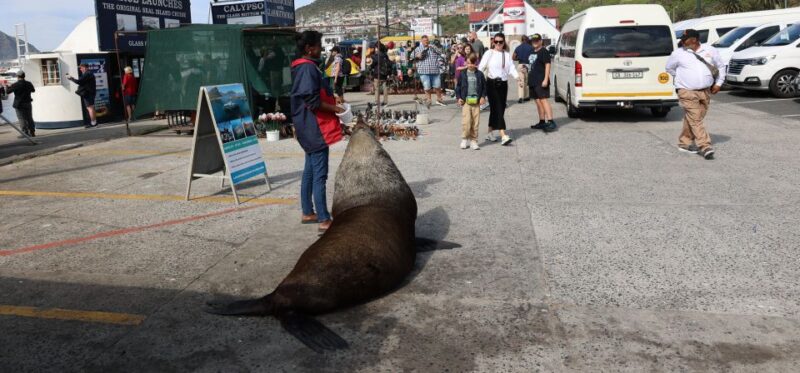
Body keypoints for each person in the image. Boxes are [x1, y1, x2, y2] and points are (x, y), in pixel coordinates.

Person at [290, 30, 346, 232]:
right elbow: (312, 102)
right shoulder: (307, 69)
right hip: (314, 128)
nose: (321, 49)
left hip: (307, 127)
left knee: (310, 171)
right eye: (319, 45)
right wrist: (335, 109)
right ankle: (324, 218)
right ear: (309, 48)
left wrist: (333, 100)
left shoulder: (304, 67)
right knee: (319, 174)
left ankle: (308, 212)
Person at [666, 28, 725, 160]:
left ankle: (684, 143)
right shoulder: (678, 53)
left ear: (694, 40)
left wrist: (719, 83)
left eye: (684, 39)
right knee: (695, 118)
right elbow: (669, 68)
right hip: (686, 91)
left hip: (705, 91)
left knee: (694, 118)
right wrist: (682, 78)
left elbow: (721, 66)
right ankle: (705, 146)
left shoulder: (710, 50)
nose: (682, 41)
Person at [478, 32, 520, 146]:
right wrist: (478, 82)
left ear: (503, 42)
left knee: (499, 109)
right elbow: (481, 68)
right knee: (497, 108)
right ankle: (503, 135)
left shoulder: (506, 54)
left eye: (500, 42)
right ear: (493, 42)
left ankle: (489, 132)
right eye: (496, 41)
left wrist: (517, 78)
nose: (498, 44)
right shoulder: (489, 53)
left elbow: (511, 67)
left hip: (503, 84)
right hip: (491, 84)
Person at [456, 53, 487, 151]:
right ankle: (464, 139)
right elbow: (458, 87)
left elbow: (484, 87)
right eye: (468, 63)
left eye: (472, 63)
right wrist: (459, 98)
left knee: (475, 122)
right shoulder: (463, 74)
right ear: (465, 62)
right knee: (466, 122)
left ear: (476, 63)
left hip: (476, 102)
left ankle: (474, 141)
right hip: (466, 102)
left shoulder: (480, 74)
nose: (470, 65)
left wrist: (483, 97)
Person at [528, 34, 557, 132]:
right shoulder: (532, 51)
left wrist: (545, 79)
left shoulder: (544, 51)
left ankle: (551, 121)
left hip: (541, 80)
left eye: (537, 40)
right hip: (533, 80)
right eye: (533, 41)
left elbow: (548, 65)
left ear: (541, 41)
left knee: (543, 100)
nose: (535, 42)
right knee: (537, 101)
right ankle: (542, 121)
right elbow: (531, 65)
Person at [414, 35, 447, 107]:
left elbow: (440, 52)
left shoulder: (432, 47)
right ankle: (429, 100)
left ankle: (439, 100)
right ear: (422, 41)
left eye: (427, 40)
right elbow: (411, 57)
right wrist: (417, 56)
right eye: (425, 40)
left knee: (438, 86)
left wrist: (433, 47)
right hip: (423, 71)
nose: (426, 42)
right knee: (427, 87)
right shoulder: (417, 49)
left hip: (435, 70)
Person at [5, 71, 36, 137]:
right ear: (24, 76)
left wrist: (7, 87)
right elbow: (33, 90)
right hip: (28, 103)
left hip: (19, 104)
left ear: (18, 76)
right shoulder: (28, 83)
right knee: (29, 117)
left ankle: (25, 133)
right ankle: (32, 132)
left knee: (21, 118)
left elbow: (8, 92)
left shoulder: (15, 84)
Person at [67, 63, 97, 128]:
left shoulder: (87, 74)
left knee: (90, 108)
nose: (80, 69)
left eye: (81, 68)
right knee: (91, 107)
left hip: (88, 93)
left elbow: (79, 81)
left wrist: (71, 78)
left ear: (84, 67)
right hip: (91, 93)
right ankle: (94, 122)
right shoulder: (89, 74)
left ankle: (93, 123)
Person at [512, 35, 534, 104]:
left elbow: (513, 57)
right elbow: (533, 57)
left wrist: (518, 58)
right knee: (527, 81)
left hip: (520, 65)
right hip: (527, 65)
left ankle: (520, 97)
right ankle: (526, 96)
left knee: (521, 81)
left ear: (521, 40)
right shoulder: (531, 48)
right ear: (527, 40)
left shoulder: (518, 48)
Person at [371, 41, 392, 106]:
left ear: (377, 48)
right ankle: (385, 102)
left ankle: (377, 102)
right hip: (384, 74)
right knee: (385, 88)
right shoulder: (385, 55)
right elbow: (389, 64)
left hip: (377, 74)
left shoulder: (375, 56)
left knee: (377, 88)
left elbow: (372, 65)